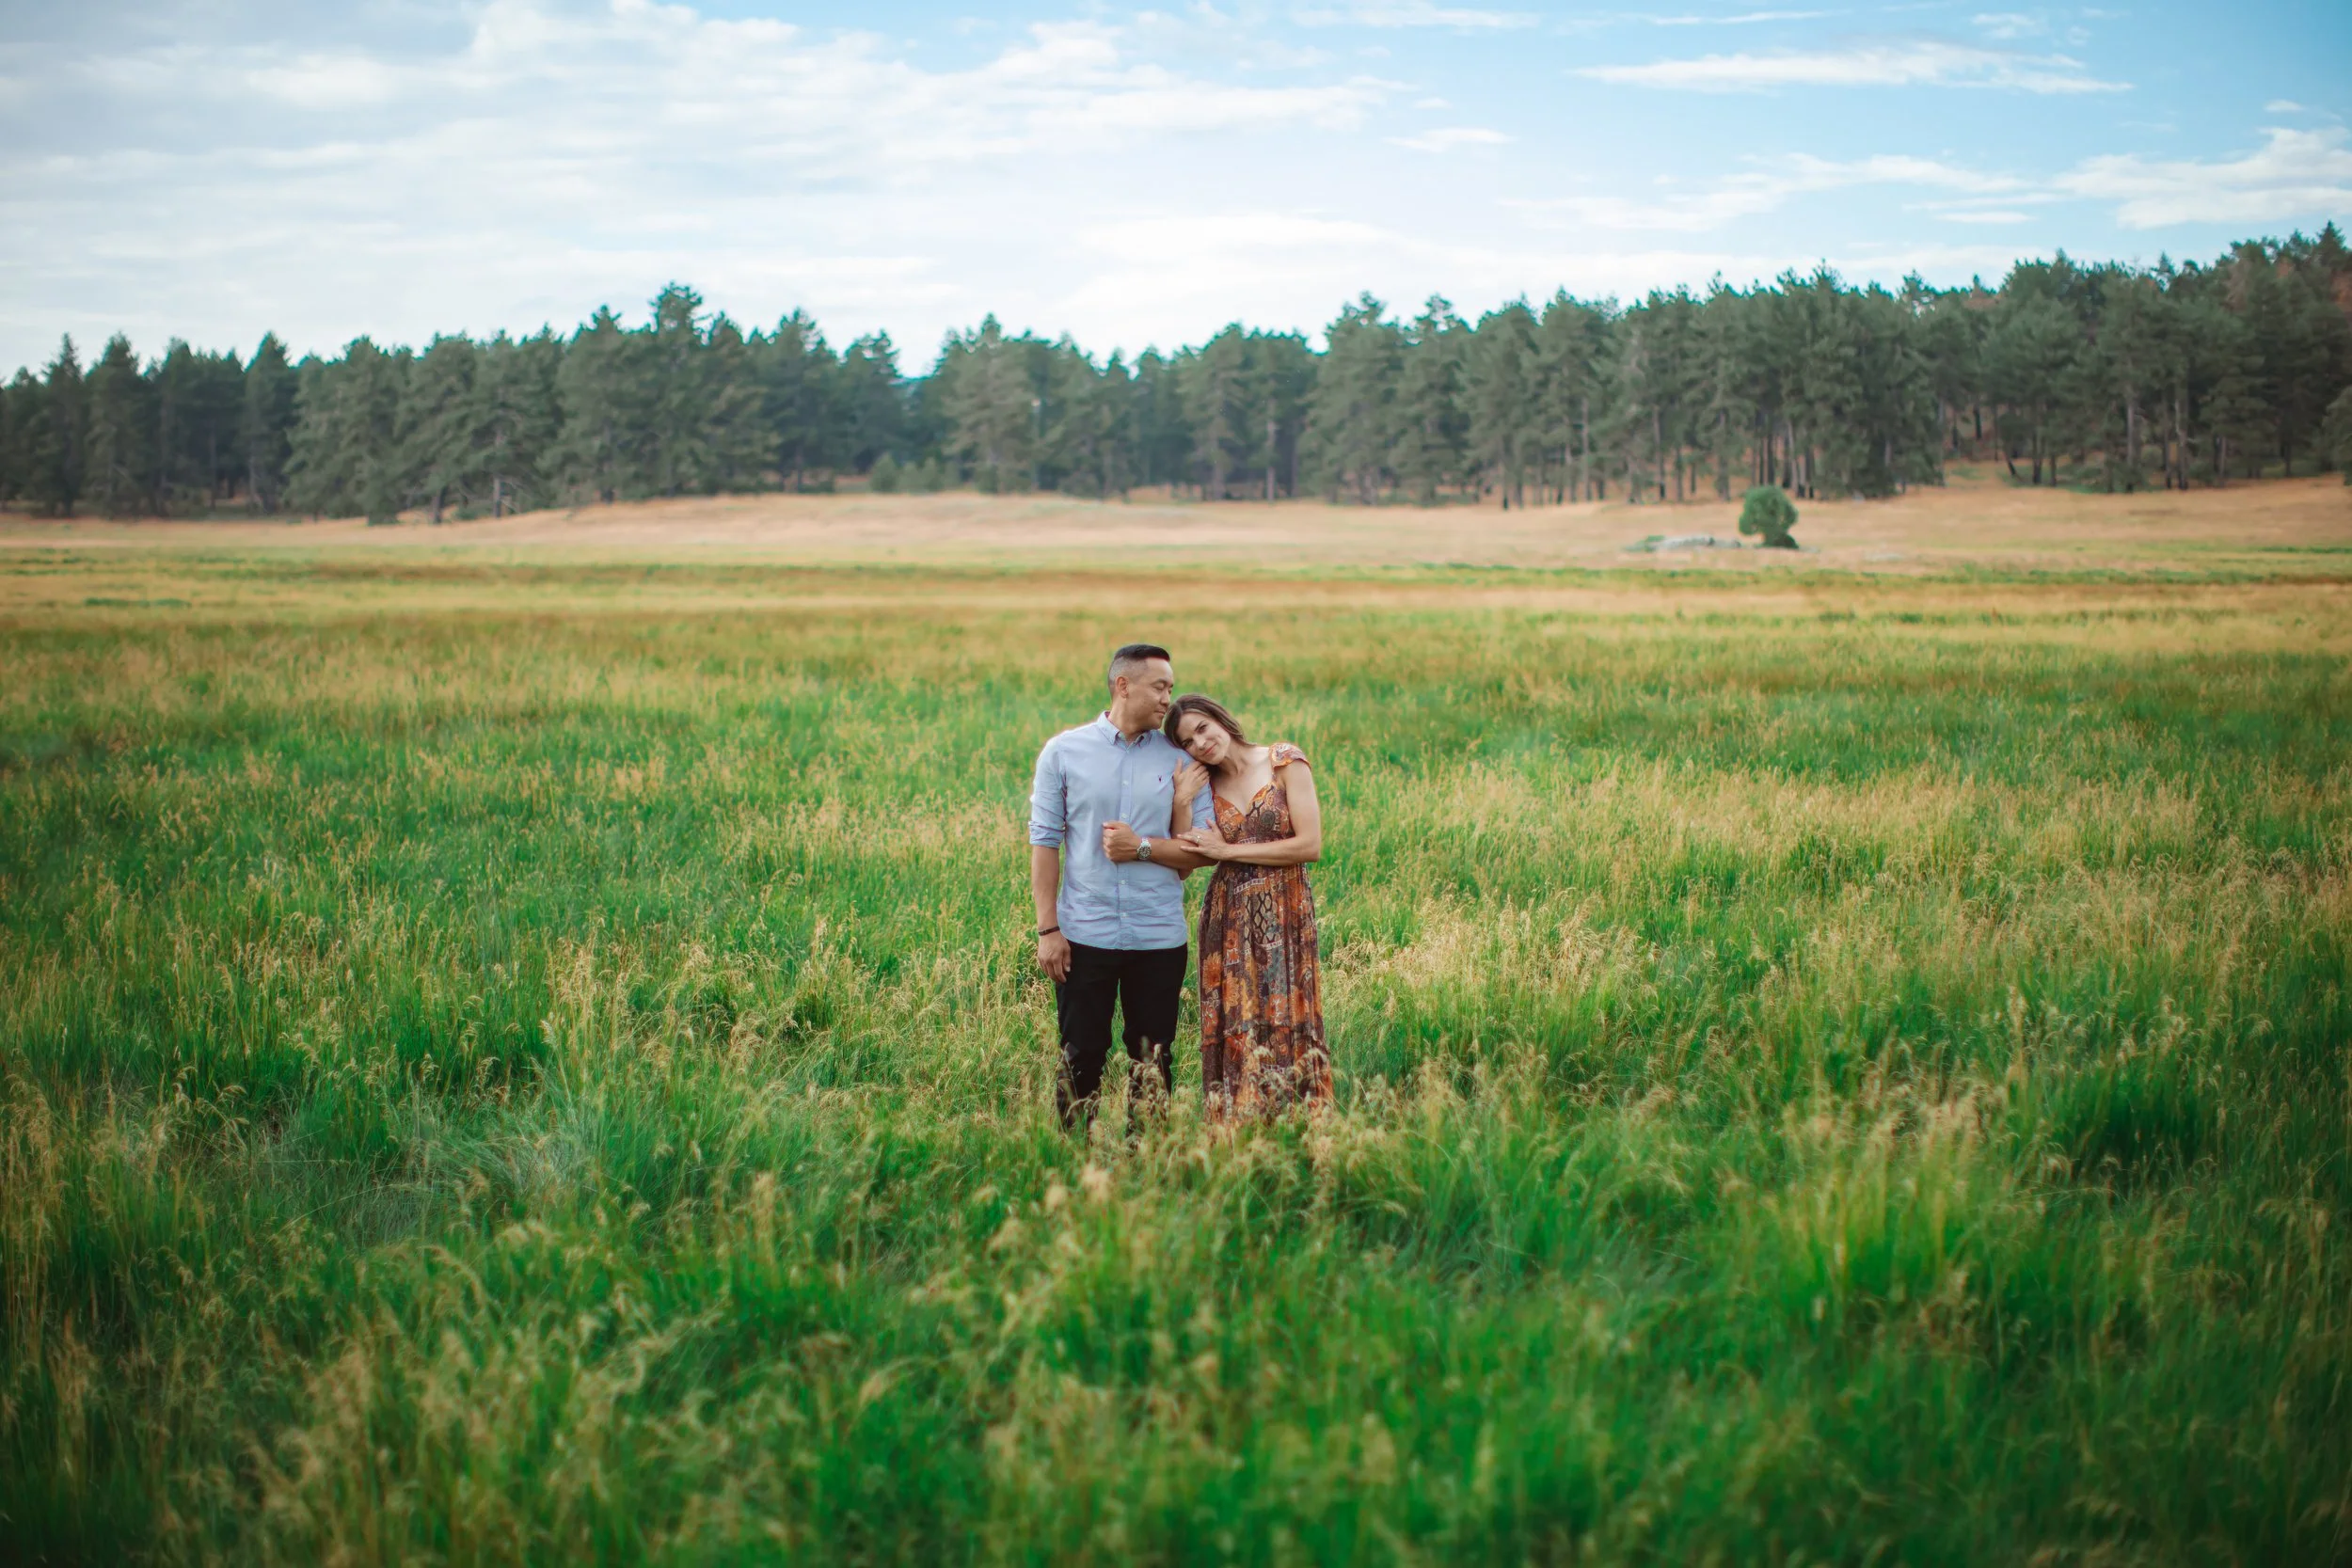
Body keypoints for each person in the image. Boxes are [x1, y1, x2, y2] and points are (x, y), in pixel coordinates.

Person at [1028, 644, 1215, 1130]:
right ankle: (1075, 1161)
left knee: (1154, 1058)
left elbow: (1198, 852)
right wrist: (1048, 929)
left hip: (1159, 937)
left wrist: (1142, 847)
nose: (1167, 699)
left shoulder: (1182, 761)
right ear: (1123, 686)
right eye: (1160, 687)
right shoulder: (1064, 752)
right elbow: (1045, 842)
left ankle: (1145, 1158)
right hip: (1084, 935)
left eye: (1171, 688)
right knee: (1080, 1054)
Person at [1165, 694, 1329, 1119]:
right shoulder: (1204, 789)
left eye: (1203, 728)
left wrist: (1229, 852)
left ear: (1221, 719)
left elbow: (1309, 846)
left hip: (1285, 907)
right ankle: (1239, 1124)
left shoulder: (1282, 761)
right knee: (1236, 1016)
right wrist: (1181, 802)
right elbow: (1185, 864)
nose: (1200, 743)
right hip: (1228, 917)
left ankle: (1297, 1120)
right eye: (1187, 742)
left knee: (1287, 1009)